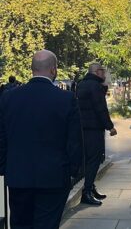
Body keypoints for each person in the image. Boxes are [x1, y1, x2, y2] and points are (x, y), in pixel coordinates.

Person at [0, 50, 83, 229]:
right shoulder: (66, 99)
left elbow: (2, 137)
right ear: (53, 70)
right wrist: (73, 170)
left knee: (20, 224)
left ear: (32, 69)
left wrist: (4, 168)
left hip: (18, 176)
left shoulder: (8, 98)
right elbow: (74, 141)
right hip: (53, 176)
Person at [76, 63, 117, 206]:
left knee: (88, 160)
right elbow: (100, 108)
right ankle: (86, 192)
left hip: (84, 128)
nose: (105, 74)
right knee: (94, 160)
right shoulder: (94, 86)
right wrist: (110, 127)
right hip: (94, 128)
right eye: (103, 71)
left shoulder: (82, 84)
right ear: (96, 71)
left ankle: (90, 187)